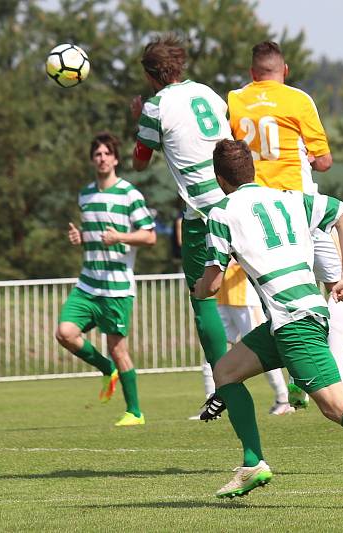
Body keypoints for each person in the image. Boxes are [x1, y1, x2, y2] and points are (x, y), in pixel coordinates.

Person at [194, 140, 343, 507]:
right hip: (292, 316)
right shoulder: (288, 197)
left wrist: (197, 290)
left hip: (295, 321)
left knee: (336, 406)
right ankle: (251, 463)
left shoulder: (222, 212)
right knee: (226, 371)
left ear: (218, 177)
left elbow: (212, 283)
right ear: (253, 169)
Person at [228, 41, 343, 408]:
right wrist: (308, 159)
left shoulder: (234, 101)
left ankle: (297, 378)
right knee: (337, 287)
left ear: (252, 73)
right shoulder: (298, 100)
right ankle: (336, 378)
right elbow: (325, 160)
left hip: (257, 219)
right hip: (299, 210)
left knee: (279, 306)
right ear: (285, 71)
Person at [130, 35, 230, 382]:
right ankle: (298, 373)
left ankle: (224, 380)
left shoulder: (156, 106)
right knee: (267, 283)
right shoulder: (207, 93)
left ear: (149, 75)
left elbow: (140, 162)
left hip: (202, 211)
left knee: (202, 299)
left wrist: (139, 119)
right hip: (237, 196)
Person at [54, 132, 157, 427]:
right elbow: (94, 236)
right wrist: (80, 238)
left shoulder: (129, 194)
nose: (101, 159)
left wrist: (120, 237)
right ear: (92, 160)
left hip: (116, 288)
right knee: (65, 332)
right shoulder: (86, 195)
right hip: (88, 284)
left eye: (106, 154)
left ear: (115, 159)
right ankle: (105, 369)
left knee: (118, 349)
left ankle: (135, 412)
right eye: (96, 154)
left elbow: (149, 236)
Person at [190, 260, 295, 419]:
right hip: (222, 299)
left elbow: (234, 256)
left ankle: (283, 399)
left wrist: (216, 264)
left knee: (263, 351)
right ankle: (212, 405)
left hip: (245, 299)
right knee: (212, 351)